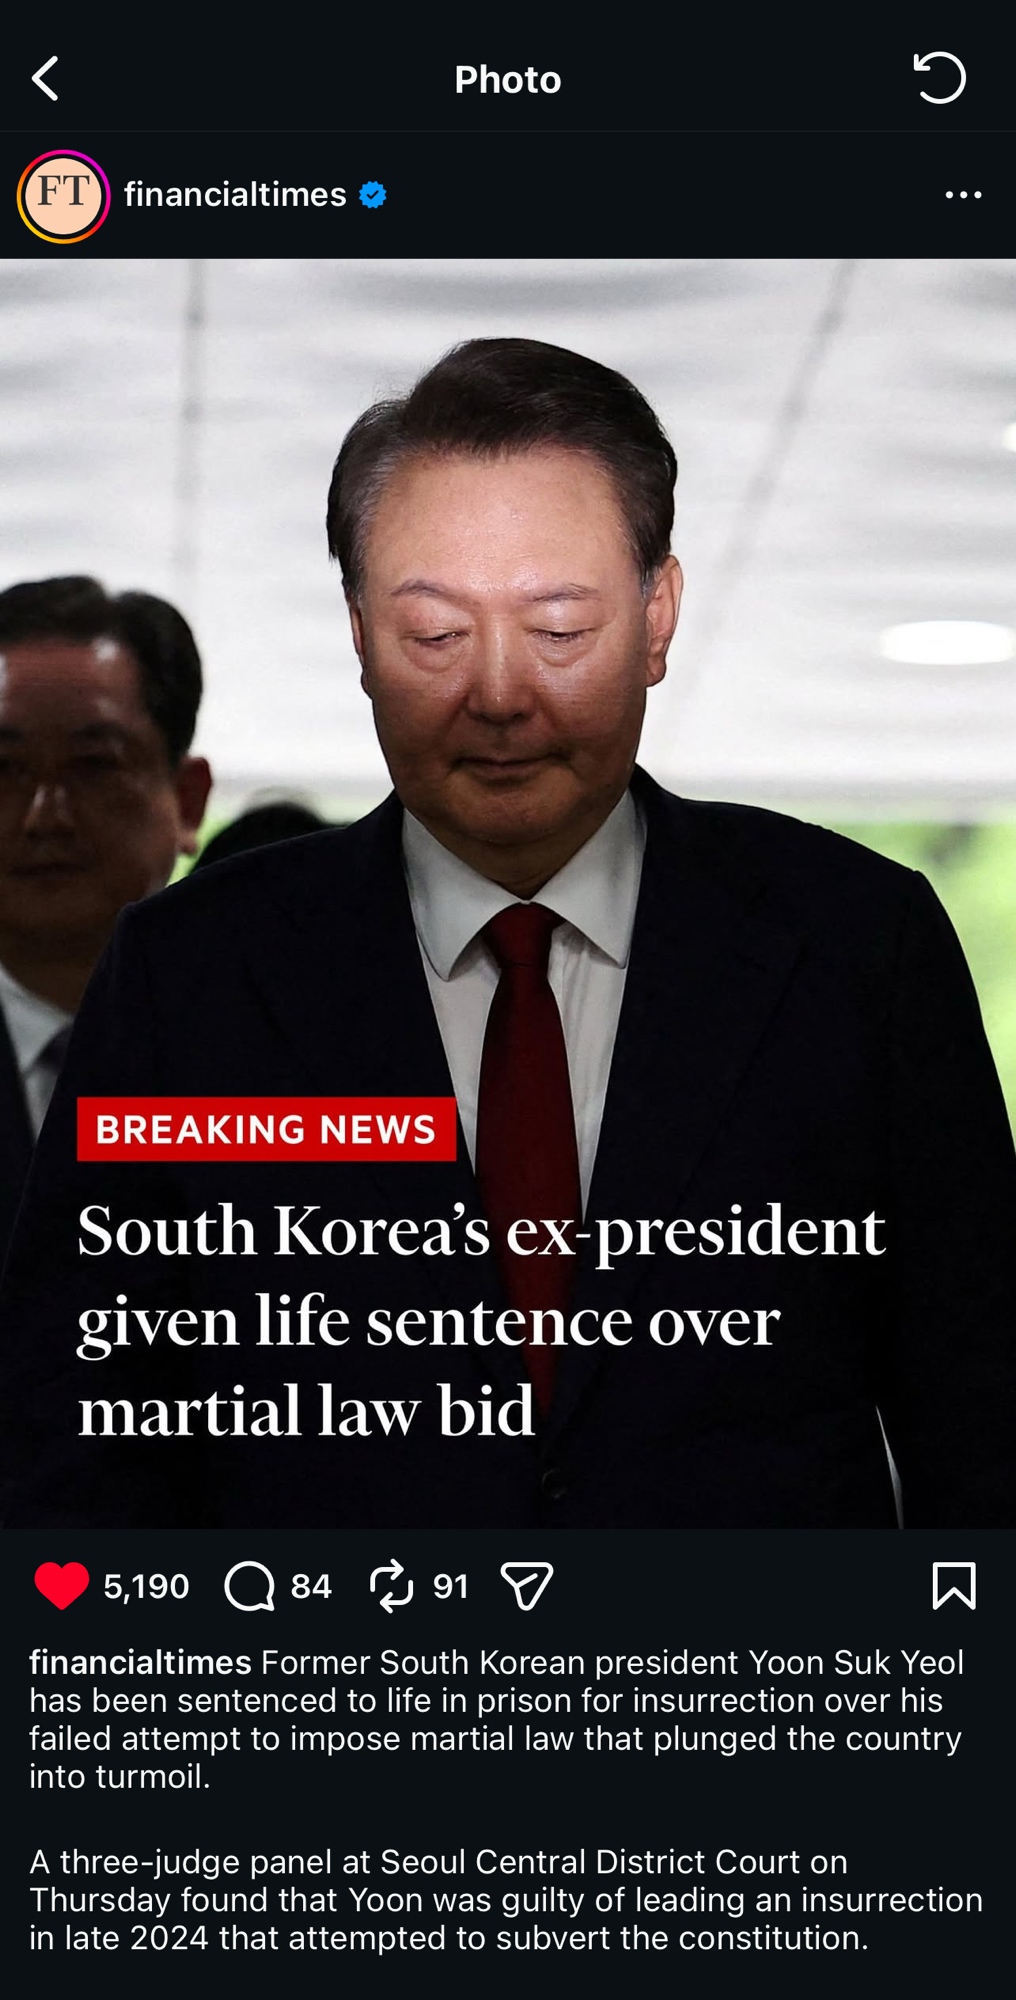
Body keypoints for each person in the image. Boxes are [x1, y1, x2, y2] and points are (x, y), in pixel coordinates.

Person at [1, 340, 1013, 1529]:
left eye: (558, 629)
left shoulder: (855, 949)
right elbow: (80, 1440)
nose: (495, 694)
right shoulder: (190, 978)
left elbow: (978, 1424)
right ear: (359, 634)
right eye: (433, 634)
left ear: (655, 617)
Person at [0, 576, 211, 1263]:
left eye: (94, 766)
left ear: (187, 800)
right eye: (4, 769)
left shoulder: (305, 1052)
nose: (45, 816)